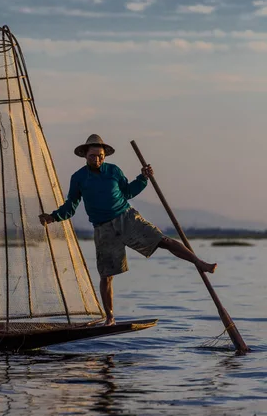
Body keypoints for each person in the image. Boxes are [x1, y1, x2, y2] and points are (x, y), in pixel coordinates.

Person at [39, 134, 217, 326]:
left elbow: (128, 192)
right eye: (92, 156)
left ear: (104, 156)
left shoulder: (113, 171)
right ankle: (110, 317)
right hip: (103, 228)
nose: (97, 159)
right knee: (106, 275)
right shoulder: (79, 178)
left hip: (127, 218)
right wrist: (53, 217)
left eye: (100, 156)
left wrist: (143, 178)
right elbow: (71, 206)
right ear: (85, 156)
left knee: (163, 241)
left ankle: (200, 263)